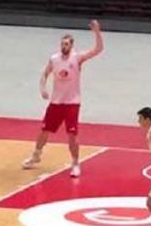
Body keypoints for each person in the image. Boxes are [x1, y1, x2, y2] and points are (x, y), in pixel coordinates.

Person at [22, 20, 104, 178]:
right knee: (44, 131)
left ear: (71, 46)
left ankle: (75, 164)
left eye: (66, 44)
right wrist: (43, 89)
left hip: (72, 103)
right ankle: (36, 155)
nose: (63, 46)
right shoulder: (54, 59)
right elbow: (45, 74)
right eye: (62, 44)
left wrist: (97, 32)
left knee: (72, 135)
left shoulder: (78, 58)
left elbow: (98, 49)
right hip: (56, 102)